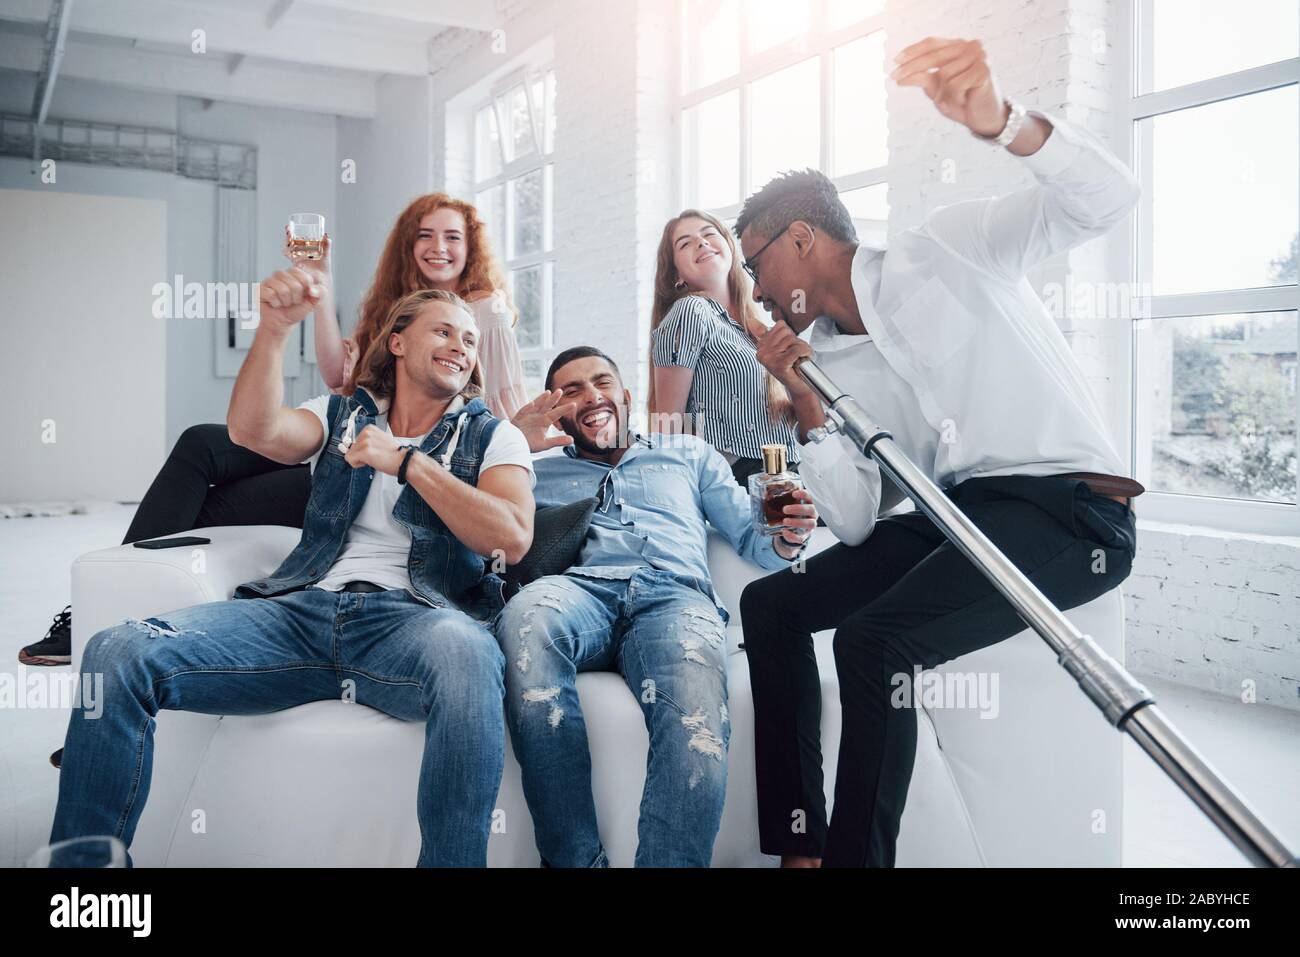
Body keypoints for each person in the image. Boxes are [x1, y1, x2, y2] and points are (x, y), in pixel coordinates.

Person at [737, 36, 1143, 867]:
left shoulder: (944, 246)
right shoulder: (833, 361)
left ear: (803, 238)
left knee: (872, 640)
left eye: (757, 264)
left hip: (1070, 509)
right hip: (958, 514)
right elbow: (851, 523)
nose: (757, 292)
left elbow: (1106, 198)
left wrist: (1000, 123)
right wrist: (808, 397)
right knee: (772, 606)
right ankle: (801, 847)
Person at [49, 274, 535, 867]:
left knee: (469, 653)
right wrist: (275, 332)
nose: (462, 345)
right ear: (398, 342)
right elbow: (253, 433)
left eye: (469, 338)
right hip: (300, 613)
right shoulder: (340, 414)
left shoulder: (493, 435)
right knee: (115, 652)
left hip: (414, 624)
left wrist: (406, 463)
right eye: (443, 330)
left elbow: (509, 535)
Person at [22, 193, 528, 668]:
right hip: (355, 443)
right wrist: (296, 307)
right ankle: (104, 611)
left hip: (417, 479)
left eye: (452, 236)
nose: (438, 247)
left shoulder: (486, 312)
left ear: (471, 246)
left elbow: (500, 406)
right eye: (425, 235)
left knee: (210, 497)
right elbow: (337, 384)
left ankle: (106, 609)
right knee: (204, 456)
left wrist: (442, 453)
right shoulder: (391, 310)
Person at [494, 347, 817, 867]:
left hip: (675, 597)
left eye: (601, 382)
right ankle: (573, 861)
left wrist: (788, 536)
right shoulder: (534, 470)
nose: (591, 396)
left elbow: (758, 542)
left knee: (695, 715)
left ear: (625, 396)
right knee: (526, 617)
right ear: (555, 410)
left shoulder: (688, 453)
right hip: (583, 594)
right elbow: (465, 529)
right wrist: (509, 445)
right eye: (571, 391)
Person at [648, 209, 800, 487]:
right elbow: (668, 427)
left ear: (729, 246)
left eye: (708, 234)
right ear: (676, 276)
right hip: (740, 476)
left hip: (791, 469)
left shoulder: (755, 330)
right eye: (685, 243)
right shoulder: (690, 311)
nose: (701, 243)